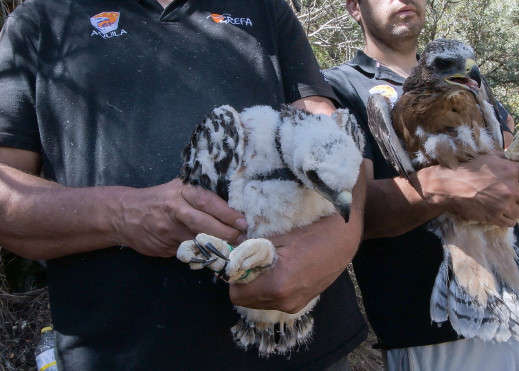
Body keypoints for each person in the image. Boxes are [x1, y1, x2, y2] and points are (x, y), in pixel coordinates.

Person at [0, 0, 368, 369]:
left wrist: (338, 239)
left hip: (303, 347)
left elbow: (334, 139)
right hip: (125, 354)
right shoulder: (41, 20)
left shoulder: (265, 8)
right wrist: (123, 216)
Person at [324, 0, 519, 370]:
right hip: (432, 324)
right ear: (354, 6)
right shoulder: (336, 88)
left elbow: (503, 153)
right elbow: (347, 214)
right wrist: (447, 185)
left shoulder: (465, 80)